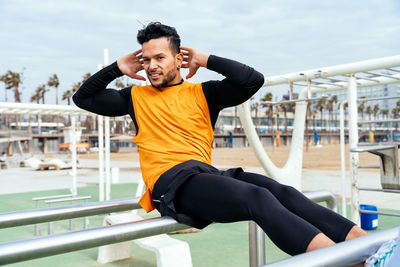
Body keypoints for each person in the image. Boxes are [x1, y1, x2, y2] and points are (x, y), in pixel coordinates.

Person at [73, 22, 366, 256]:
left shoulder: (204, 93)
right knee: (258, 197)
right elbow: (83, 98)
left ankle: (363, 245)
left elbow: (253, 80)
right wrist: (116, 68)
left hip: (205, 174)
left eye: (159, 58)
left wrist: (205, 59)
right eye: (146, 59)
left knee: (282, 192)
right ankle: (338, 261)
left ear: (178, 58)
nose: (151, 66)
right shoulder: (133, 97)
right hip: (171, 185)